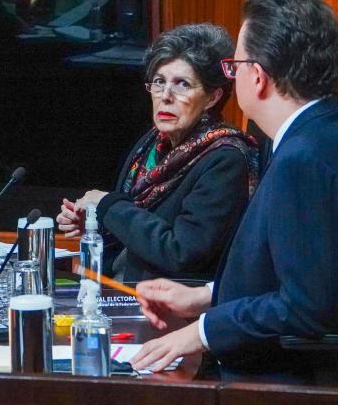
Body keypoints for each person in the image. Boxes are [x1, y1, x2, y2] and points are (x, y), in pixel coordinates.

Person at [130, 0, 338, 384]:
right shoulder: (329, 135)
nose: (234, 76)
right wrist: (206, 297)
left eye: (235, 66)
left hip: (299, 377)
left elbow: (308, 307)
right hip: (302, 360)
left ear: (258, 77)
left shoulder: (309, 159)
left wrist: (201, 332)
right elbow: (313, 274)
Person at [56, 23, 259, 282]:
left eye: (182, 84)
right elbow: (137, 229)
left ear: (212, 97)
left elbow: (182, 253)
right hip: (119, 288)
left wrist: (109, 207)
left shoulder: (226, 159)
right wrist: (95, 221)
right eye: (159, 82)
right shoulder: (151, 144)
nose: (166, 96)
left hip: (170, 305)